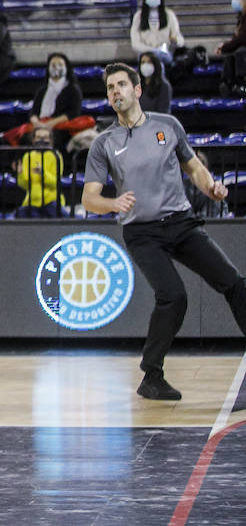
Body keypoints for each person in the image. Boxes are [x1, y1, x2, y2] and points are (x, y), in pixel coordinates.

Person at [81, 62, 245, 401]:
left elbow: (193, 167)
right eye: (110, 87)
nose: (115, 91)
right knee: (173, 296)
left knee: (234, 283)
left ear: (137, 90)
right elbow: (89, 198)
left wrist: (211, 187)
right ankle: (151, 376)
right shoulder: (104, 143)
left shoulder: (168, 126)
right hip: (142, 233)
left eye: (122, 85)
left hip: (181, 224)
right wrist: (112, 204)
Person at [25, 52, 84, 153]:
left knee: (51, 137)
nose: (56, 67)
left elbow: (73, 113)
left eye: (60, 64)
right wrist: (37, 123)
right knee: (24, 136)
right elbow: (33, 111)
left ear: (66, 68)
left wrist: (50, 124)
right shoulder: (42, 90)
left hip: (62, 128)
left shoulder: (73, 90)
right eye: (53, 65)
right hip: (39, 125)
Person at [130, 0, 184, 68]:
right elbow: (135, 44)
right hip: (145, 55)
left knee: (160, 59)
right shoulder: (138, 16)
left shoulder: (169, 15)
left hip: (164, 55)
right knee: (151, 60)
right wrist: (153, 51)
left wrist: (175, 40)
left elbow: (180, 40)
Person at [15, 126, 64, 218]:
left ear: (50, 140)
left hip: (51, 201)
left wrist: (43, 174)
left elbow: (55, 183)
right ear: (33, 139)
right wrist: (20, 174)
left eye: (45, 137)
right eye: (38, 137)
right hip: (32, 201)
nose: (41, 140)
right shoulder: (27, 157)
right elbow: (25, 185)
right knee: (20, 213)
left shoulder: (55, 156)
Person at [216, 0, 246, 96]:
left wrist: (225, 46)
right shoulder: (241, 18)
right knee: (229, 55)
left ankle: (242, 83)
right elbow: (236, 38)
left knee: (240, 51)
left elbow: (242, 38)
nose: (234, 0)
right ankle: (227, 83)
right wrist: (224, 47)